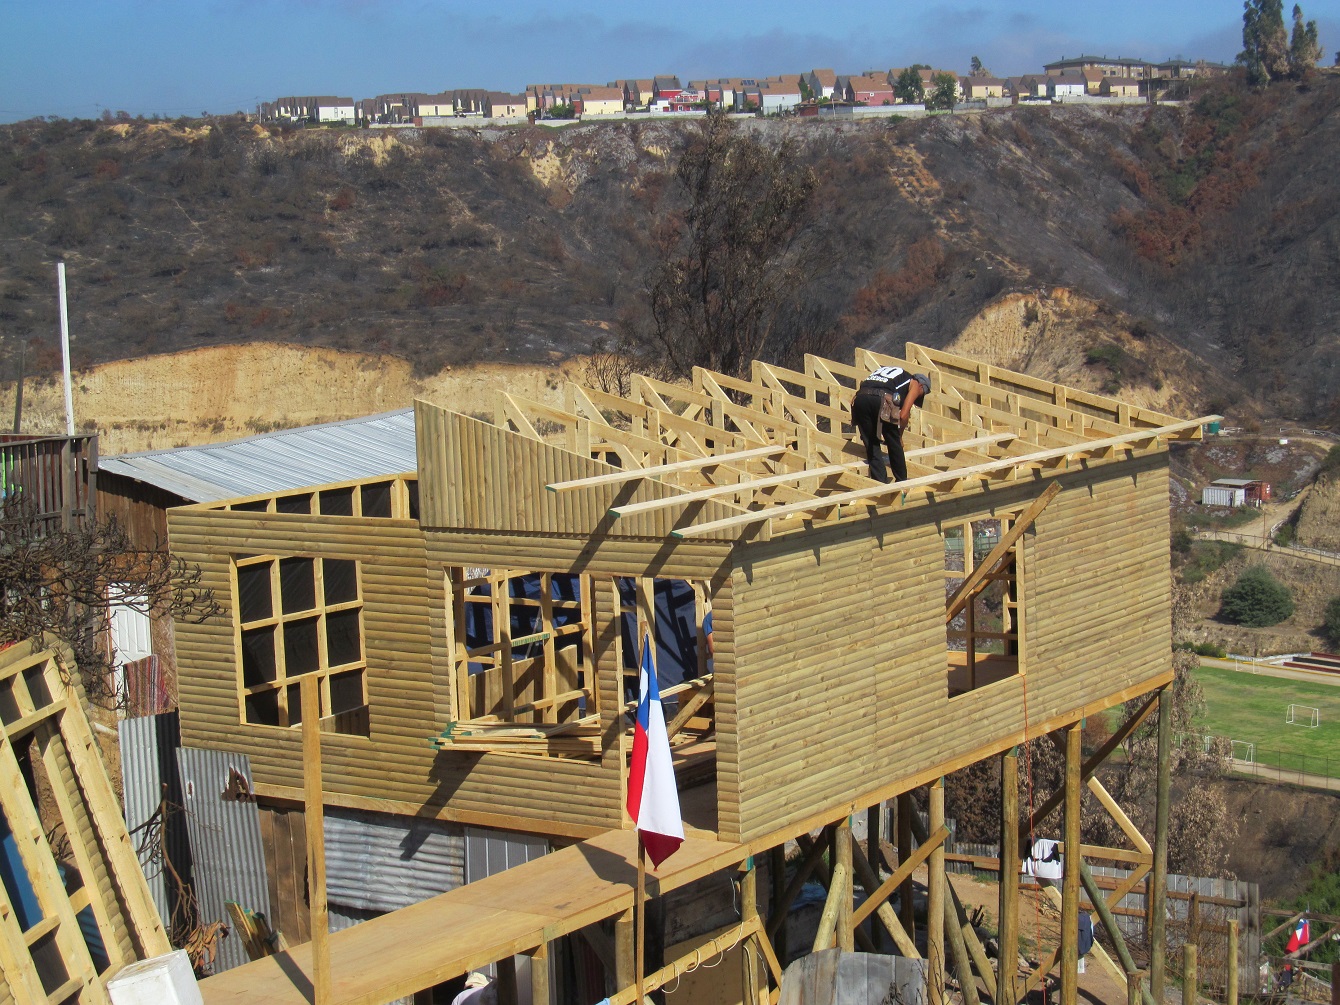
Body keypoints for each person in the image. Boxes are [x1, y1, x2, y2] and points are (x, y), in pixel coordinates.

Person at [849, 366, 931, 483]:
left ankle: (880, 484)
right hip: (882, 399)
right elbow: (903, 415)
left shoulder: (895, 375)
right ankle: (902, 483)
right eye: (921, 394)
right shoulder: (916, 384)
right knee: (893, 441)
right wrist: (899, 436)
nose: (917, 396)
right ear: (921, 386)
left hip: (860, 399)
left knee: (871, 444)